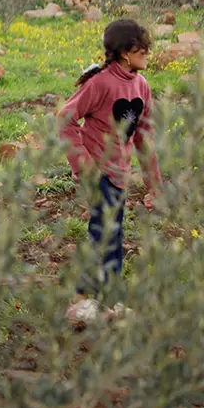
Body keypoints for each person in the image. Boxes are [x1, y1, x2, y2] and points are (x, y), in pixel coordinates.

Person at [60, 19, 161, 323]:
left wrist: (152, 184)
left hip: (120, 174)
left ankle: (105, 300)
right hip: (97, 172)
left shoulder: (141, 86)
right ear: (125, 52)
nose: (147, 52)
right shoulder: (100, 83)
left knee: (114, 235)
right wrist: (84, 166)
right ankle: (80, 303)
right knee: (104, 234)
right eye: (141, 47)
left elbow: (144, 137)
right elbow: (64, 120)